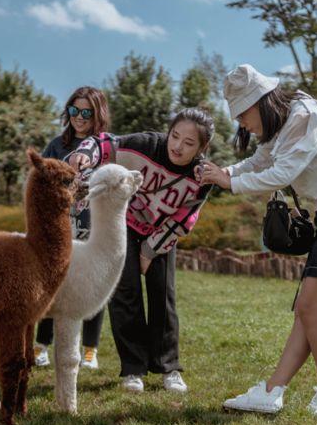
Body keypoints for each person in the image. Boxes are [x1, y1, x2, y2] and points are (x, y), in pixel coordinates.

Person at [199, 64, 317, 416]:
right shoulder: (286, 122)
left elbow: (281, 174)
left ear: (260, 103)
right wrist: (224, 173)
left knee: (310, 309)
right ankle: (272, 391)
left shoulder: (303, 116)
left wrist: (228, 183)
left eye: (244, 116)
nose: (243, 125)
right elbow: (262, 159)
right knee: (305, 311)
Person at [69, 108, 215, 394]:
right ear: (167, 132)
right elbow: (103, 143)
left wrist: (150, 251)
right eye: (174, 136)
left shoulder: (201, 176)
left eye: (188, 143)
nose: (177, 146)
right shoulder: (144, 144)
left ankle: (168, 367)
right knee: (125, 293)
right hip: (124, 226)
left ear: (201, 148)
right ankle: (132, 369)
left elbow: (184, 219)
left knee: (163, 294)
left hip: (162, 235)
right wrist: (85, 153)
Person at [33, 86, 112, 370]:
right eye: (73, 111)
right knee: (51, 282)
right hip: (59, 227)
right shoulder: (56, 145)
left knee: (91, 286)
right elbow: (40, 180)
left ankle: (90, 350)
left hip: (93, 228)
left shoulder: (105, 148)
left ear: (97, 114)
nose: (78, 117)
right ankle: (41, 345)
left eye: (86, 112)